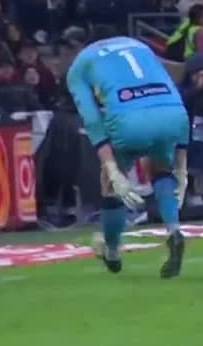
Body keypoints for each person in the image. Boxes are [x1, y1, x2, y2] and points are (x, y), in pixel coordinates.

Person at [66, 35, 190, 278]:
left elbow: (92, 121)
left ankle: (112, 251)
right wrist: (182, 168)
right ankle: (174, 230)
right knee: (161, 168)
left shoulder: (79, 66)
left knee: (110, 184)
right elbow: (172, 90)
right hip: (174, 115)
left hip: (129, 121)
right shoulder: (140, 46)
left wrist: (112, 171)